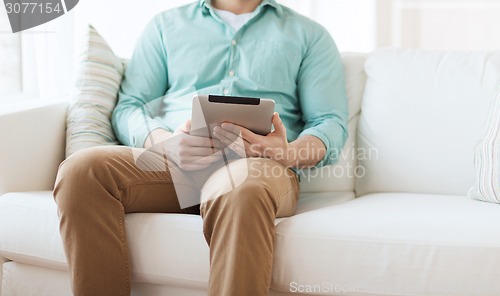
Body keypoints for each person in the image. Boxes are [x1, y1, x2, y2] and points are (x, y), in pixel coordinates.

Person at [53, 0, 348, 295]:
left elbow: (330, 122)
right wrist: (163, 143)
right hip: (173, 163)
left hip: (259, 166)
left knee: (241, 188)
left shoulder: (309, 34)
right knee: (82, 171)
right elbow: (131, 106)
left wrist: (288, 152)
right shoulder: (164, 26)